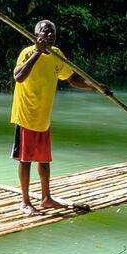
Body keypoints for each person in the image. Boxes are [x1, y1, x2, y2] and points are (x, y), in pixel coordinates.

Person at [10, 19, 109, 215]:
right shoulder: (27, 52)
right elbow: (18, 76)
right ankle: (25, 202)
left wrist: (96, 87)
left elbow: (73, 79)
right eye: (45, 33)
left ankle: (46, 198)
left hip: (43, 116)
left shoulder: (57, 55)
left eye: (52, 34)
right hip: (26, 114)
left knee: (44, 160)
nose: (49, 37)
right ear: (36, 35)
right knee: (25, 160)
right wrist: (38, 52)